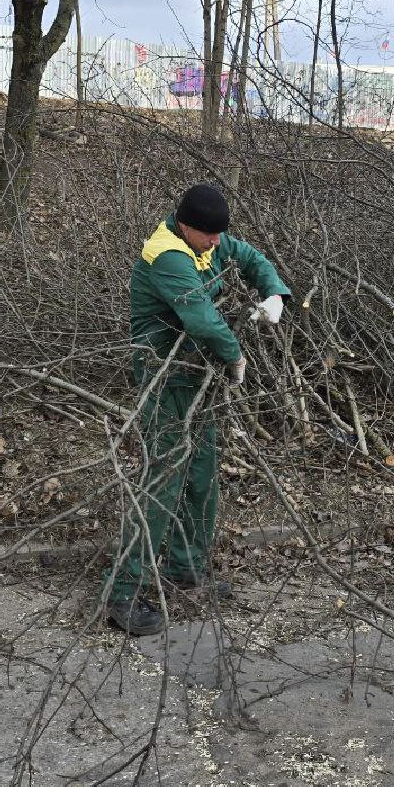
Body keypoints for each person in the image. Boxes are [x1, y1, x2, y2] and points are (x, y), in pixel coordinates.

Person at [106, 183, 290, 636]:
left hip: (196, 376)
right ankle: (124, 594)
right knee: (162, 481)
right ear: (187, 226)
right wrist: (235, 355)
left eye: (218, 236)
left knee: (203, 472)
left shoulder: (207, 238)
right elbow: (200, 317)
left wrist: (274, 296)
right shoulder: (167, 254)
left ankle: (185, 569)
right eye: (209, 236)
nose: (216, 243)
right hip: (165, 376)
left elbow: (248, 257)